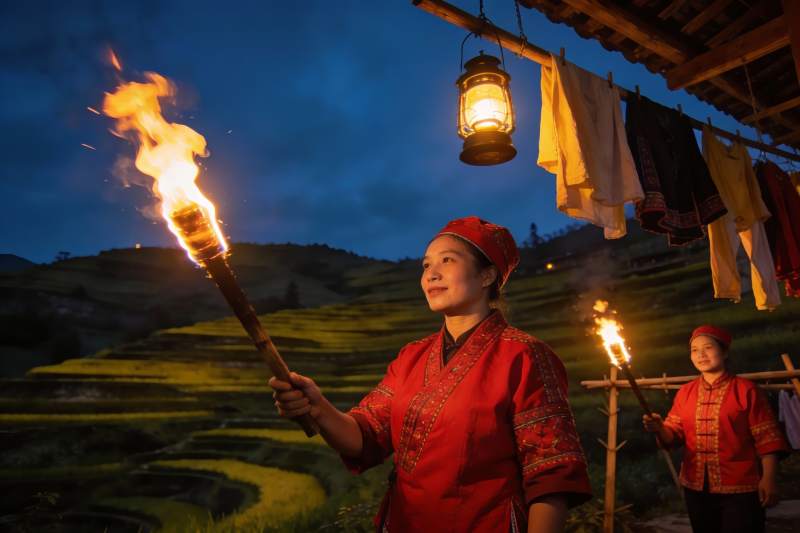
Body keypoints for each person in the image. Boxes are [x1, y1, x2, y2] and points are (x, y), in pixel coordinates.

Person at [270, 216, 592, 532]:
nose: (431, 274)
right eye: (425, 265)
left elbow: (551, 473)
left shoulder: (524, 355)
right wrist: (318, 407)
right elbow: (364, 436)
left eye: (447, 260)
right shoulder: (412, 356)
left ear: (486, 276)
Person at [642, 325, 789, 533]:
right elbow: (673, 435)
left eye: (708, 348)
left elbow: (767, 437)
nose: (700, 354)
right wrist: (659, 428)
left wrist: (769, 478)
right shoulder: (685, 392)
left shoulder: (746, 390)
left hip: (741, 487)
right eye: (694, 350)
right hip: (696, 488)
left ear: (725, 351)